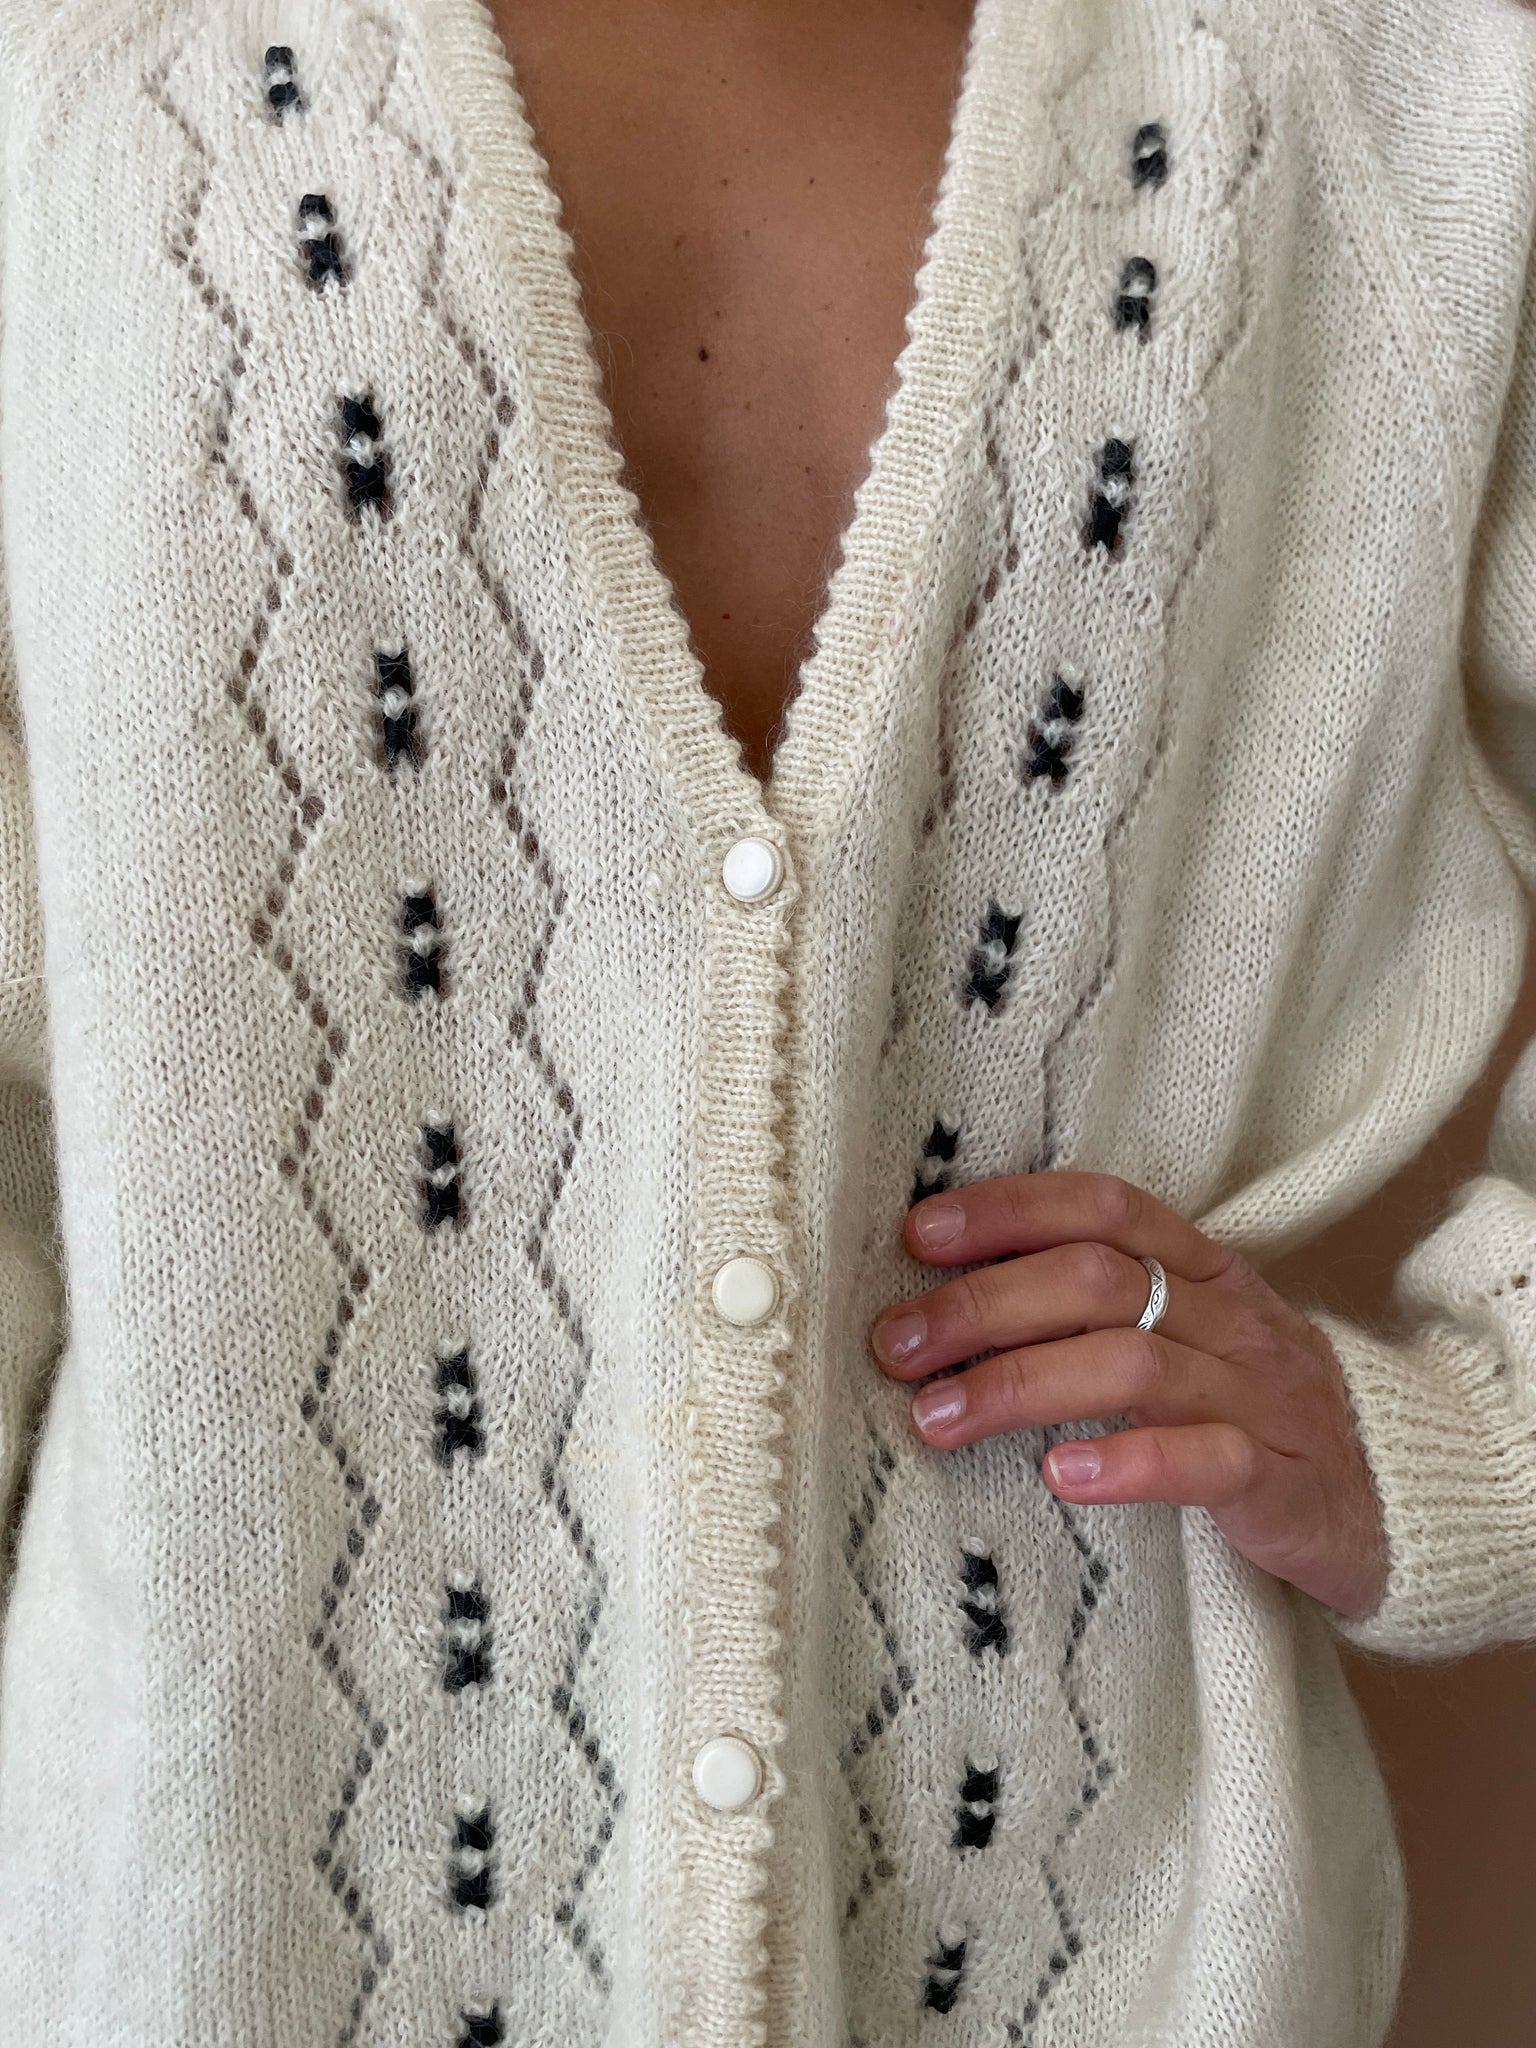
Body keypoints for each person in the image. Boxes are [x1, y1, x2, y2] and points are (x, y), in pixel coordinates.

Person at [0, 0, 1532, 2042]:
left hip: (1105, 1944)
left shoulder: (1402, 82)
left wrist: (1471, 1444)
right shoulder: (70, 68)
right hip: (212, 1929)